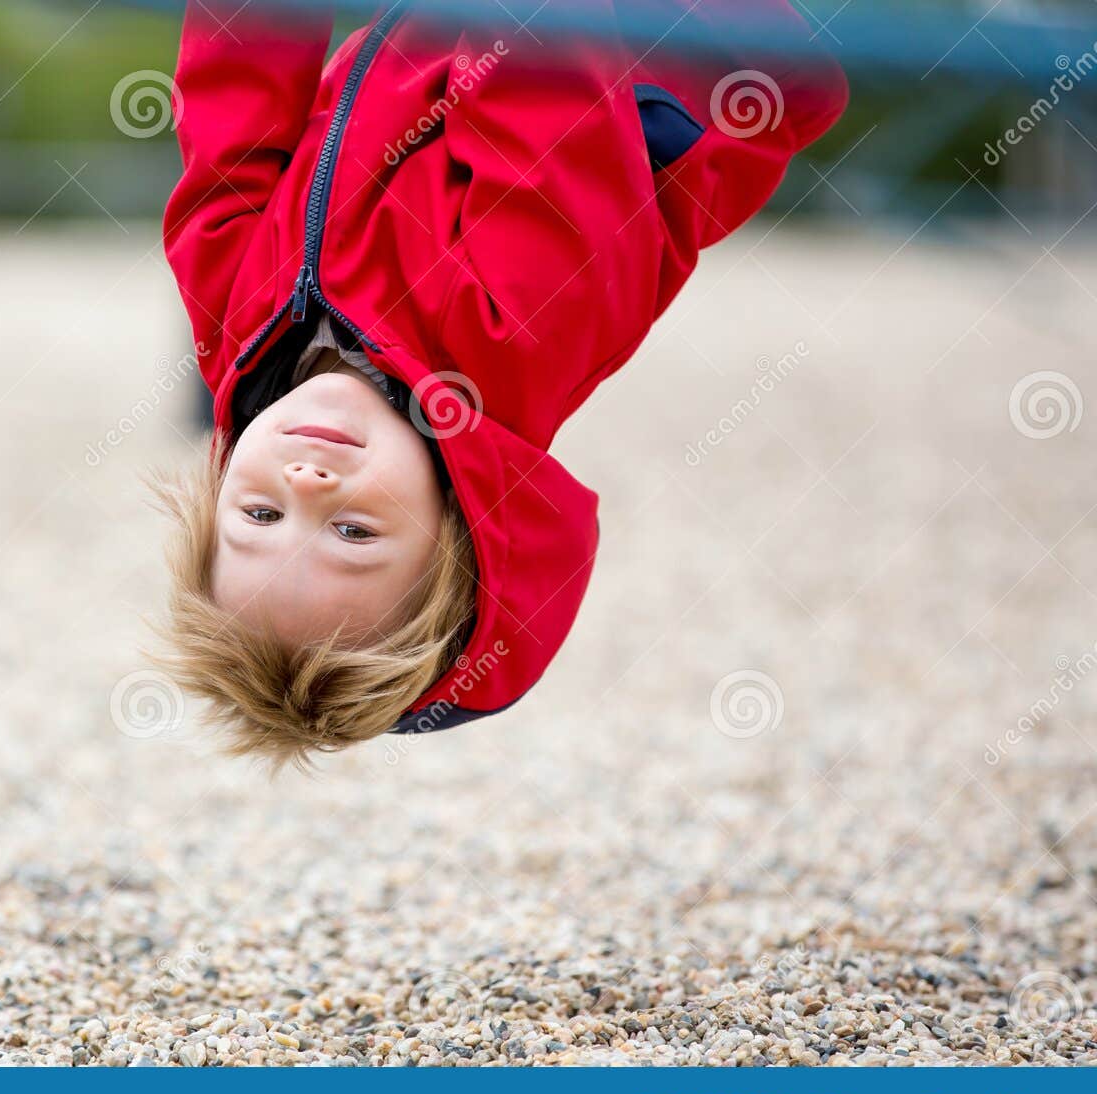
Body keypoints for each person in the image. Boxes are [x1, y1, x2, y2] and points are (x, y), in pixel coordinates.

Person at [155, 0, 848, 768]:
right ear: (457, 529)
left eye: (260, 512)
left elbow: (234, 105)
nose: (307, 480)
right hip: (685, 47)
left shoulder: (239, 320)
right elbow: (539, 59)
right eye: (352, 533)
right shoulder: (517, 330)